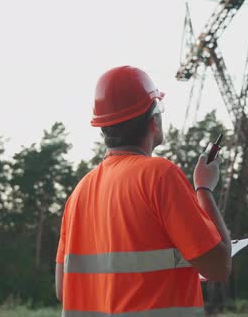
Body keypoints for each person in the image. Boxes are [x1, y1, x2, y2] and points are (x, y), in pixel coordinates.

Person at [55, 65, 232, 316]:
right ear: (154, 121)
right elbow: (218, 266)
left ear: (104, 128)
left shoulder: (79, 193)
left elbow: (64, 289)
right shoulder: (160, 176)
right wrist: (204, 189)